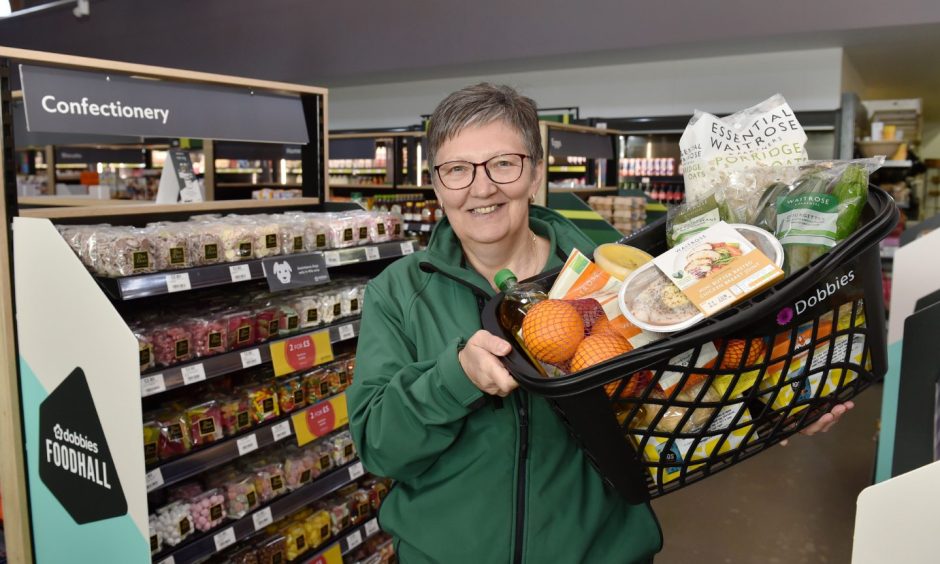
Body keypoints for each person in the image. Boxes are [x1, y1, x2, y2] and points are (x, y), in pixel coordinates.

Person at [347, 83, 853, 563]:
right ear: (435, 182)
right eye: (457, 169)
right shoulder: (398, 293)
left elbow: (696, 382)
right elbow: (380, 449)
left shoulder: (617, 273)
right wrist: (455, 377)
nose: (481, 188)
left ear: (536, 172)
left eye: (503, 163)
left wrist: (781, 402)